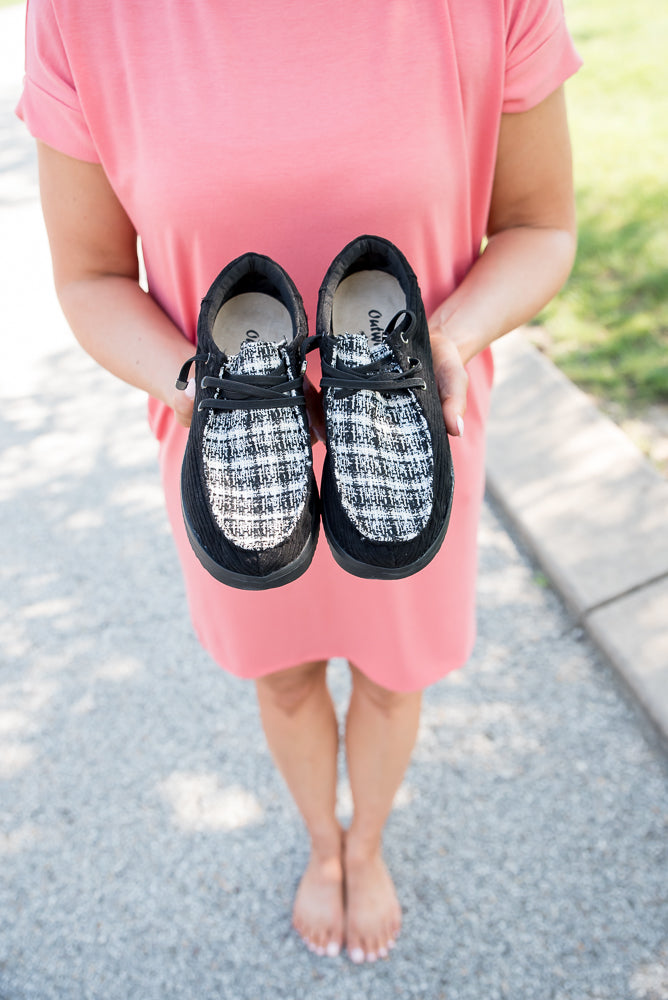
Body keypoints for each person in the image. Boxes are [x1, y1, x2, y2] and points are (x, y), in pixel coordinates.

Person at [18, 0, 581, 965]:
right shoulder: (82, 12)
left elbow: (541, 225)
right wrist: (192, 381)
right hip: (228, 439)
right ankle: (324, 846)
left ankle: (369, 843)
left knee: (395, 678)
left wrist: (447, 340)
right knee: (281, 677)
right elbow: (89, 277)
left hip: (412, 426)